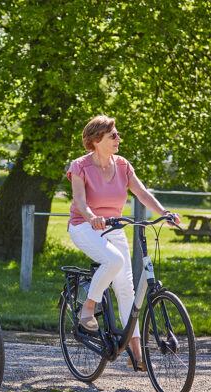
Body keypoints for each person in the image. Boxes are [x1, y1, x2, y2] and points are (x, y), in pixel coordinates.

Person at [66, 115, 181, 371]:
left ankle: (136, 355)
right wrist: (92, 217)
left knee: (126, 289)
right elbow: (80, 201)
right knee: (114, 260)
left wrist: (164, 213)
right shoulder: (80, 166)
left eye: (117, 134)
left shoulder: (123, 165)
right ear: (97, 141)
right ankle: (89, 307)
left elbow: (141, 192)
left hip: (114, 227)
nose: (118, 138)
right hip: (85, 226)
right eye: (113, 135)